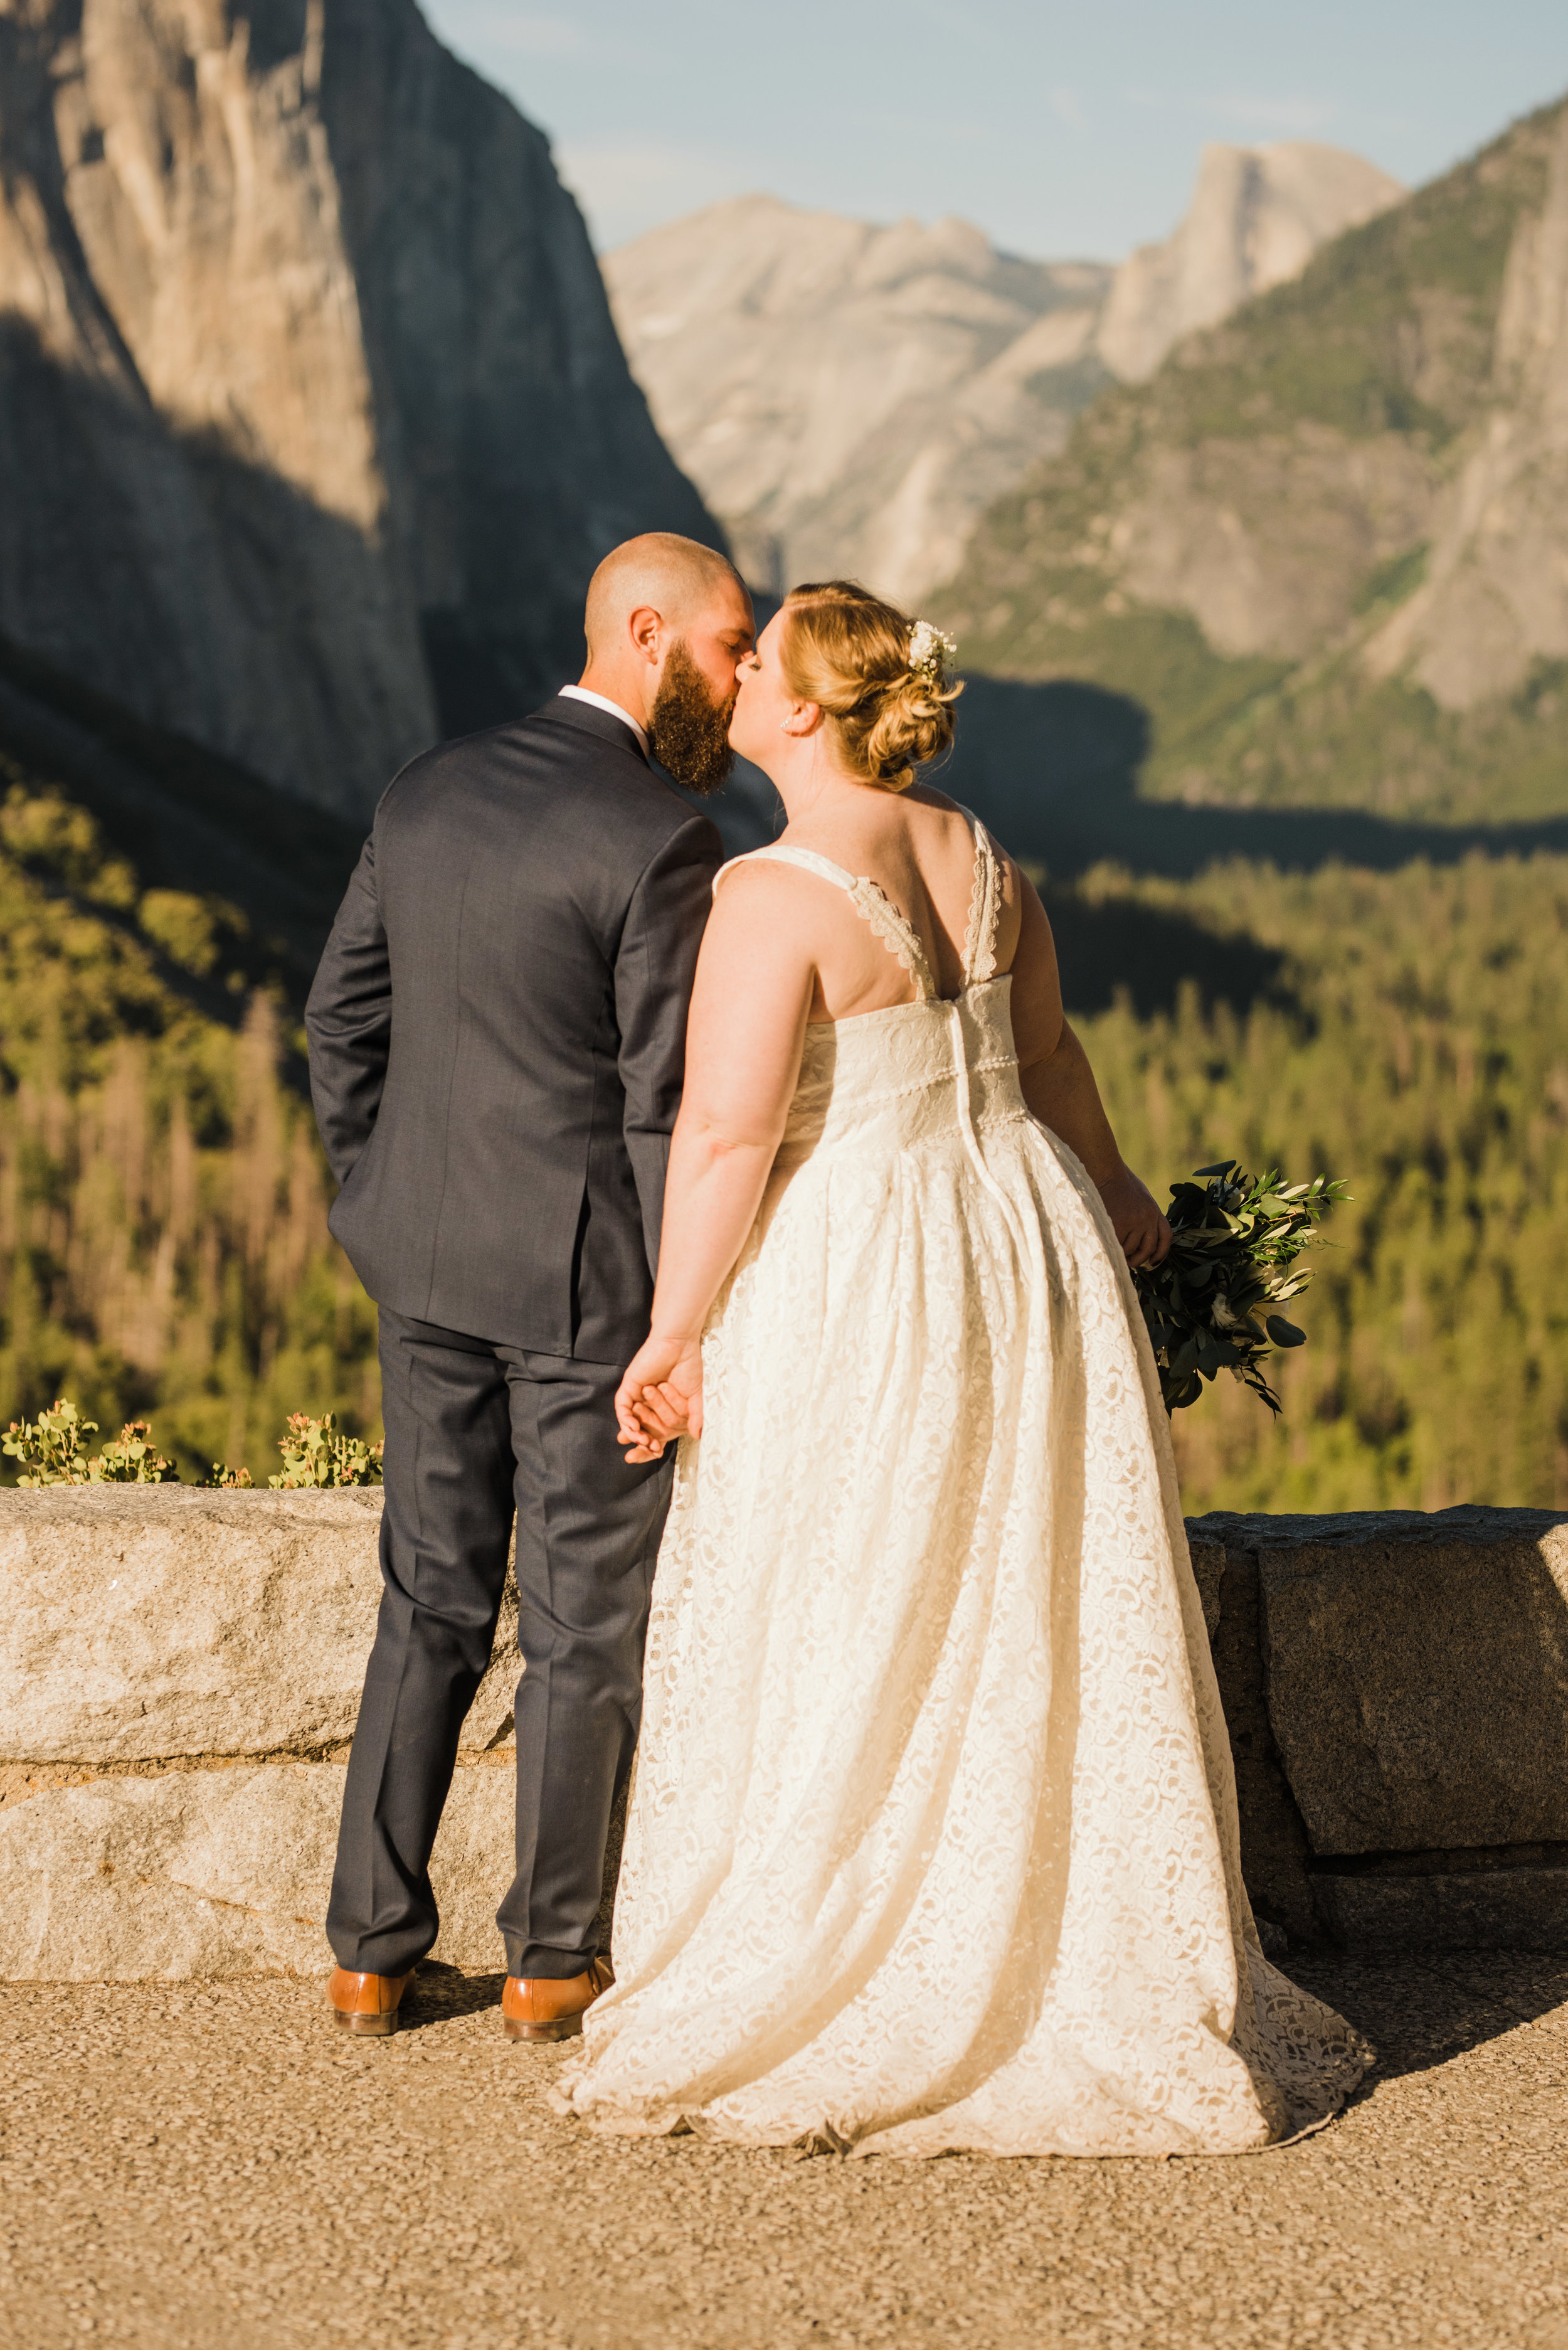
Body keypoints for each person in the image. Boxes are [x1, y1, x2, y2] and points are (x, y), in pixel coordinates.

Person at [554, 581, 1372, 2156]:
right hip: (1021, 1228)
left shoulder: (771, 894)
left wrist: (669, 1334)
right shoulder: (984, 853)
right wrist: (1119, 1191)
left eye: (757, 657)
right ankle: (1044, 1939)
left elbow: (724, 1135)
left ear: (800, 709)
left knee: (857, 1581)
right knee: (1023, 1571)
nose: (731, 677)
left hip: (865, 1254)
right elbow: (1049, 1056)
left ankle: (855, 1942)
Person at [305, 533, 754, 2039]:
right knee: (577, 1625)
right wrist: (675, 1316)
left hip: (420, 1271)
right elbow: (663, 1104)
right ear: (647, 633)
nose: (739, 676)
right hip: (583, 1299)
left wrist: (372, 1198)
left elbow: (336, 1022)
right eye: (726, 646)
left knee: (422, 1599)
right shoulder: (660, 834)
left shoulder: (422, 788)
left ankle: (368, 1947)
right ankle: (550, 1959)